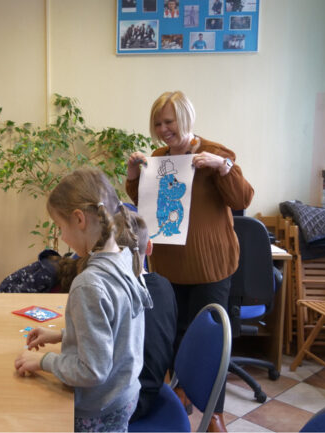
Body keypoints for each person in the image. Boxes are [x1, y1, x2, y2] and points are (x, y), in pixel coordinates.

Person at [126, 91, 253, 431]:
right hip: (168, 264)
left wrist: (221, 167)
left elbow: (243, 198)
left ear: (185, 118)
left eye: (169, 121)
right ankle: (176, 393)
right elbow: (144, 203)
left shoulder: (215, 153)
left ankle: (214, 412)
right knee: (170, 334)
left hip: (210, 264)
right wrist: (134, 174)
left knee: (210, 340)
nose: (163, 129)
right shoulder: (159, 157)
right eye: (158, 123)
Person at [14, 168, 153, 432]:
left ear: (79, 219)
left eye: (60, 227)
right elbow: (113, 329)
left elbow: (92, 371)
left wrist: (44, 362)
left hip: (98, 407)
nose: (62, 237)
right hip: (125, 394)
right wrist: (60, 336)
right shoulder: (127, 257)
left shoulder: (88, 284)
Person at [115, 211, 177, 423]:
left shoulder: (117, 294)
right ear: (149, 247)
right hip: (152, 389)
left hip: (129, 403)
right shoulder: (164, 285)